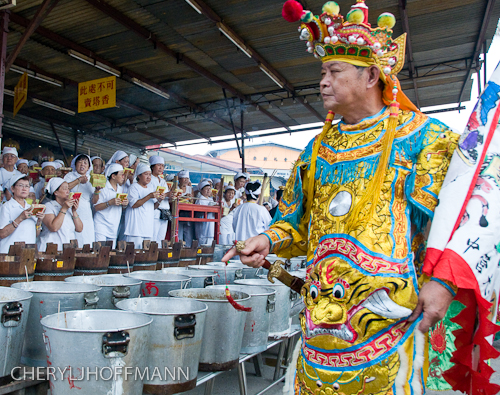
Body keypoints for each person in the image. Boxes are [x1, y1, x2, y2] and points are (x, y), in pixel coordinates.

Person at [223, 1, 465, 394]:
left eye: (334, 71)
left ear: (371, 76)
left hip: (394, 320)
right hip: (321, 322)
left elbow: (463, 216)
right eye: (322, 72)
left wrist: (444, 283)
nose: (323, 81)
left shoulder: (424, 138)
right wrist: (267, 240)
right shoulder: (316, 150)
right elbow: (294, 221)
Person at [0, 175, 45, 253]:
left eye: (27, 186)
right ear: (12, 188)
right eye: (21, 185)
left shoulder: (30, 207)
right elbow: (2, 234)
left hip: (28, 253)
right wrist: (20, 218)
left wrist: (39, 221)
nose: (24, 189)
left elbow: (36, 234)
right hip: (9, 253)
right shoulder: (6, 207)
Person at [38, 177, 83, 252]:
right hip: (51, 249)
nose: (68, 191)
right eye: (65, 189)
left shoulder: (69, 207)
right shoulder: (48, 206)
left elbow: (79, 229)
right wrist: (64, 209)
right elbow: (54, 228)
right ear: (56, 192)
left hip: (68, 249)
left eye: (68, 188)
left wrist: (74, 211)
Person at [124, 163, 160, 248]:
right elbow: (134, 204)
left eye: (150, 175)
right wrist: (149, 196)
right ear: (139, 176)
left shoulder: (151, 189)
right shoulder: (134, 187)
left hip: (147, 228)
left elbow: (154, 207)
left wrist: (160, 200)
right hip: (135, 229)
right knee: (133, 253)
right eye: (146, 174)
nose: (148, 177)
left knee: (145, 254)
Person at [64, 154, 97, 247]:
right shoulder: (70, 176)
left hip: (86, 211)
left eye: (85, 163)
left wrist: (97, 190)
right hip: (72, 209)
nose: (82, 164)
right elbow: (64, 187)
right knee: (74, 235)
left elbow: (94, 200)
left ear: (89, 167)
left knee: (87, 236)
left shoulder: (92, 178)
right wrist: (78, 180)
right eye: (80, 162)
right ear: (75, 164)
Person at [93, 163, 128, 248]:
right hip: (101, 226)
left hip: (114, 226)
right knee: (99, 251)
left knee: (110, 253)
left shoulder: (121, 189)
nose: (123, 177)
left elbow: (121, 209)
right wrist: (109, 203)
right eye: (121, 174)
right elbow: (96, 207)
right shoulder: (103, 188)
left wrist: (124, 205)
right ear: (113, 176)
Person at [149, 156, 170, 245]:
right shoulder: (149, 179)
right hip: (155, 210)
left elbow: (167, 195)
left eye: (162, 165)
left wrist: (170, 194)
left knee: (161, 238)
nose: (161, 168)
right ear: (153, 166)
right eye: (159, 165)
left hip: (164, 212)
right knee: (153, 237)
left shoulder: (163, 181)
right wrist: (164, 195)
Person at [194, 180, 216, 245]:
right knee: (202, 244)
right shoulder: (200, 199)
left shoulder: (211, 199)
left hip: (210, 226)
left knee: (210, 244)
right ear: (201, 190)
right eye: (206, 189)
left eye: (209, 189)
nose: (208, 190)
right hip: (203, 226)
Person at [177, 169, 194, 247]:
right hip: (178, 213)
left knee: (188, 235)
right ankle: (178, 250)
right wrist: (184, 197)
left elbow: (193, 201)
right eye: (184, 178)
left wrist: (191, 199)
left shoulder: (190, 189)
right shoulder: (176, 188)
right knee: (178, 234)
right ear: (179, 179)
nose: (186, 180)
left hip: (187, 213)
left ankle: (188, 250)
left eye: (187, 178)